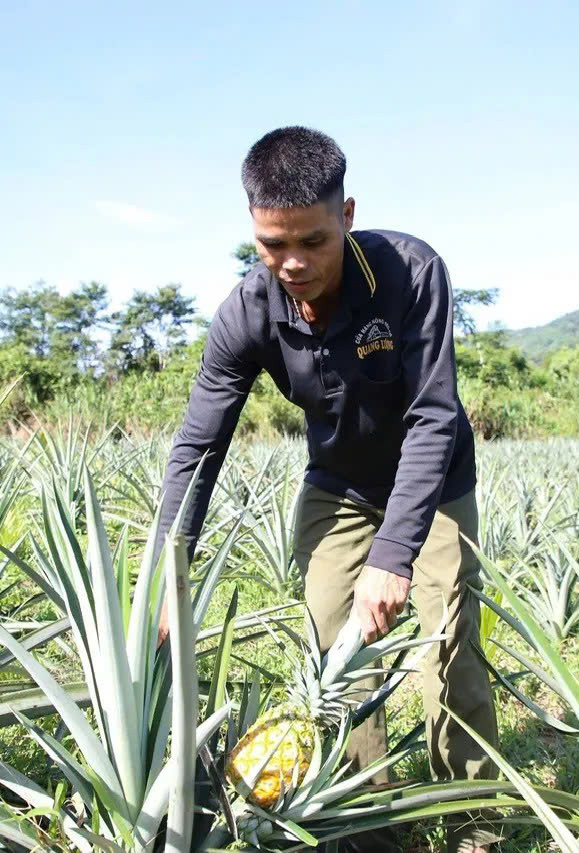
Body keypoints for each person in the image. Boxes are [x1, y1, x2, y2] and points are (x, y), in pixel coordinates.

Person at [156, 126, 499, 852]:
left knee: (450, 645)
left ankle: (474, 826)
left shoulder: (410, 272)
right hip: (338, 486)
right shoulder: (247, 312)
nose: (293, 262)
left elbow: (434, 416)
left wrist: (394, 555)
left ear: (347, 215)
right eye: (272, 244)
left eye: (312, 241)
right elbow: (199, 446)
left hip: (434, 482)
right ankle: (365, 828)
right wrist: (167, 573)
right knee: (333, 652)